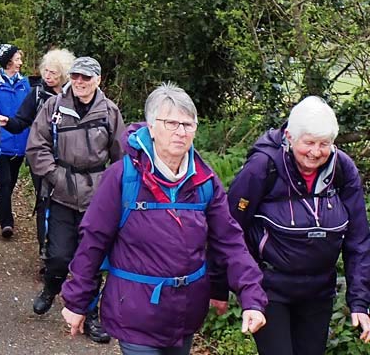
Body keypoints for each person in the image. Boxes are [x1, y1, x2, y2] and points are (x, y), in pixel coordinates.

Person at [60, 83, 267, 354]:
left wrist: (251, 297)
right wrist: (77, 300)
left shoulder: (204, 180)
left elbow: (230, 241)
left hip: (185, 314)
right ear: (151, 127)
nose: (181, 132)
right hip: (135, 312)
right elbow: (94, 240)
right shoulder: (123, 177)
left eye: (188, 125)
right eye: (172, 123)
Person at [226, 96, 370, 355]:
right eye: (309, 143)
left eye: (324, 144)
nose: (316, 152)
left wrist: (359, 301)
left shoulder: (342, 169)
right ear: (290, 136)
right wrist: (222, 285)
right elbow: (230, 228)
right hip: (270, 289)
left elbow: (358, 239)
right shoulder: (263, 166)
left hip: (319, 291)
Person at [26, 56, 125, 344]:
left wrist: (116, 188)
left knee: (93, 258)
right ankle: (51, 286)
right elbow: (36, 145)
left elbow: (121, 156)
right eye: (76, 77)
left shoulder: (109, 112)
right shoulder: (54, 107)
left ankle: (91, 314)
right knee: (58, 256)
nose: (80, 82)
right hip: (61, 194)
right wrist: (54, 175)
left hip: (97, 197)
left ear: (98, 80)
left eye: (86, 77)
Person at [0, 48, 74, 256]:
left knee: (66, 201)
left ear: (64, 75)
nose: (47, 77)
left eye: (53, 73)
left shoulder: (74, 96)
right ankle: (45, 248)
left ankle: (64, 247)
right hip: (41, 156)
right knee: (44, 199)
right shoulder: (38, 93)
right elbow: (22, 120)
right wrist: (7, 123)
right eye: (45, 71)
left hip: (69, 159)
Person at [0, 43, 31, 239]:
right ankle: (7, 222)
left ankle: (0, 206)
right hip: (0, 141)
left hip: (20, 141)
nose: (21, 62)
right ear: (8, 61)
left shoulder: (26, 84)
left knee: (11, 181)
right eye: (18, 59)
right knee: (3, 181)